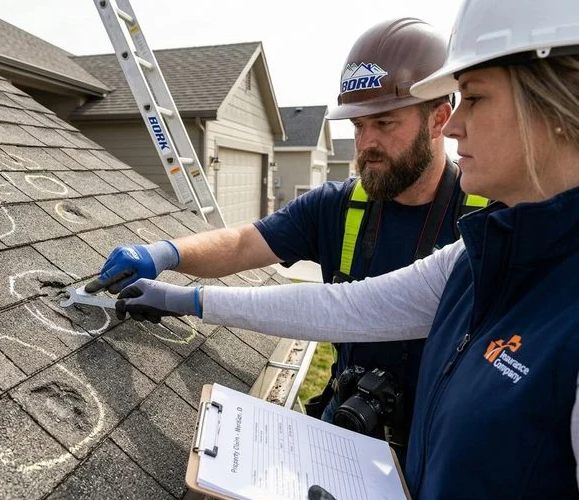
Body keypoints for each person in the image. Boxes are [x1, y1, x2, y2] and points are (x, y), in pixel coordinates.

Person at [114, 0, 579, 496]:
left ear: (552, 105)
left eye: (476, 98)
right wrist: (183, 289)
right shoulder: (483, 253)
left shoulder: (495, 236)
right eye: (359, 126)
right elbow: (345, 306)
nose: (459, 123)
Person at [87, 18, 486, 455]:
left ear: (438, 120)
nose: (365, 143)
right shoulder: (338, 206)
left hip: (437, 446)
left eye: (384, 124)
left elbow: (350, 308)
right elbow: (243, 242)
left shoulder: (488, 220)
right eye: (357, 126)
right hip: (348, 425)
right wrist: (164, 253)